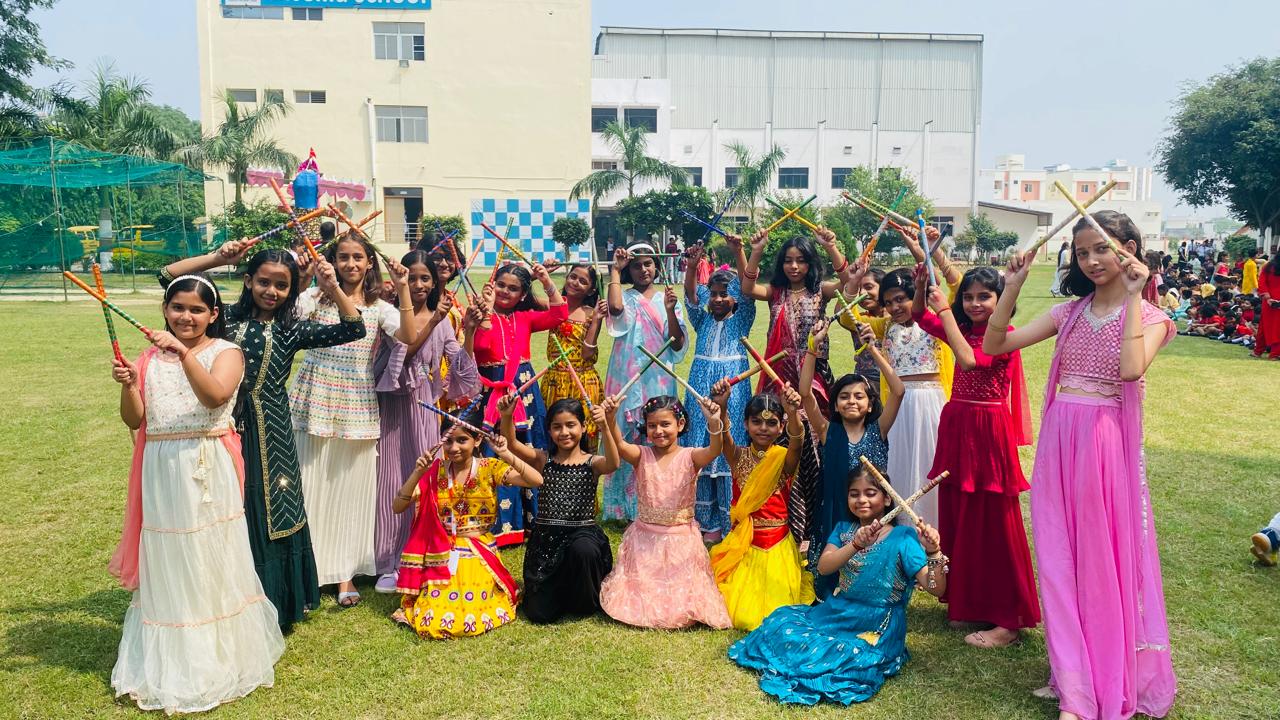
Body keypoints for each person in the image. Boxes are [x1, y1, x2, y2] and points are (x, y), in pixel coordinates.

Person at [984, 210, 1177, 720]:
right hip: (1059, 440)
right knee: (1057, 558)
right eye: (1083, 252)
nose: (1091, 260)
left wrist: (1134, 296)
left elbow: (1130, 370)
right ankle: (1072, 676)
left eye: (1102, 248)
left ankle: (1090, 688)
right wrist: (1012, 286)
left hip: (1103, 444)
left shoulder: (1153, 318)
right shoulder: (1069, 313)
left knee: (1099, 560)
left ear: (1129, 248)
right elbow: (994, 345)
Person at [160, 241, 365, 632]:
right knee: (222, 505)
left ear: (292, 289)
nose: (271, 291)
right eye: (264, 282)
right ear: (248, 280)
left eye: (282, 285)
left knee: (270, 510)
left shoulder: (290, 330)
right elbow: (168, 277)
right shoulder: (222, 318)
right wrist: (218, 258)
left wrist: (332, 285)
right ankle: (221, 601)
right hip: (217, 426)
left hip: (271, 431)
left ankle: (274, 603)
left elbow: (354, 327)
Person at [109, 274, 284, 713]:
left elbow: (214, 396)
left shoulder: (226, 353)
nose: (186, 317)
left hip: (206, 465)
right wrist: (129, 384)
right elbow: (134, 420)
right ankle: (175, 651)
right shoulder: (149, 359)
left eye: (196, 309)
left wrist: (184, 353)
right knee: (169, 554)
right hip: (161, 468)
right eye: (177, 307)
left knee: (208, 552)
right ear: (165, 310)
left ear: (213, 314)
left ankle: (217, 653)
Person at [727, 464, 947, 706]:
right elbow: (824, 567)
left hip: (877, 626)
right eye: (854, 494)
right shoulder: (844, 530)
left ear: (887, 499)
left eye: (870, 493)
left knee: (846, 657)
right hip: (837, 613)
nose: (861, 500)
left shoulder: (903, 537)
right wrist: (855, 545)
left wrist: (933, 551)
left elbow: (936, 588)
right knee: (782, 622)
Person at [911, 266, 1039, 648]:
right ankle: (968, 602)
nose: (974, 303)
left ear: (1003, 300)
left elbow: (969, 361)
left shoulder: (1005, 336)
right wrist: (920, 287)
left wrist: (945, 311)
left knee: (995, 522)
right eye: (968, 297)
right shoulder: (962, 329)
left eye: (984, 296)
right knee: (961, 514)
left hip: (988, 431)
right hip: (959, 426)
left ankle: (1008, 620)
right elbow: (919, 316)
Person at [289, 232, 417, 607]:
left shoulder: (378, 306)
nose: (350, 264)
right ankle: (308, 572)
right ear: (332, 261)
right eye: (343, 257)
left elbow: (409, 336)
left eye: (358, 257)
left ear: (369, 263)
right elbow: (287, 321)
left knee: (349, 491)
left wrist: (403, 287)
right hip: (313, 396)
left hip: (357, 402)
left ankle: (345, 575)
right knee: (309, 484)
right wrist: (304, 279)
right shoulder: (314, 298)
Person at [372, 251, 481, 594]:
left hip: (424, 408)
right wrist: (433, 321)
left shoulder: (444, 321)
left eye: (425, 278)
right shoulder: (392, 315)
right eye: (412, 277)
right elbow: (406, 352)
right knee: (390, 480)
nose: (418, 284)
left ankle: (420, 553)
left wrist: (470, 331)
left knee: (425, 479)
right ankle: (388, 562)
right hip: (393, 405)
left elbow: (460, 363)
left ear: (435, 283)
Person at [390, 411, 543, 638]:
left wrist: (506, 454)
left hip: (479, 551)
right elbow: (398, 506)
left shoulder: (489, 467)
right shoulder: (435, 471)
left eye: (462, 440)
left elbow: (536, 480)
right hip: (442, 551)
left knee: (472, 611)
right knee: (434, 614)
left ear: (477, 439)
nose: (454, 448)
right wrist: (417, 472)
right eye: (448, 441)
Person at [598, 396, 731, 629]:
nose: (658, 431)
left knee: (681, 601)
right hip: (644, 542)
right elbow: (619, 445)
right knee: (640, 597)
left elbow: (714, 450)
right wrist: (610, 418)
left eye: (665, 424)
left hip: (680, 541)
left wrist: (713, 422)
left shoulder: (691, 456)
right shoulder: (641, 455)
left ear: (680, 424)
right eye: (652, 425)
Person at [800, 318, 904, 598]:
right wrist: (812, 348)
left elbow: (898, 390)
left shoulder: (879, 429)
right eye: (844, 397)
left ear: (870, 404)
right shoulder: (827, 432)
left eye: (859, 396)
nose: (852, 401)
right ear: (835, 405)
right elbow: (805, 393)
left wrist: (872, 349)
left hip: (873, 510)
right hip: (837, 512)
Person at [469, 262, 566, 545]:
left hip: (524, 391)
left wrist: (545, 280)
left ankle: (531, 521)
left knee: (526, 449)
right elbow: (482, 347)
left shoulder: (524, 318)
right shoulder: (476, 314)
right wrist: (486, 311)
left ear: (523, 295)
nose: (505, 292)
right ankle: (498, 524)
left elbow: (559, 315)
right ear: (492, 284)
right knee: (493, 450)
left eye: (513, 289)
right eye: (501, 285)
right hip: (491, 392)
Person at [499, 395, 619, 623]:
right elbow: (512, 445)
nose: (564, 432)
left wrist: (604, 426)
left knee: (583, 551)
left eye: (571, 425)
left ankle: (584, 598)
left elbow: (613, 463)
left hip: (582, 535)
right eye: (557, 427)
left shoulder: (592, 462)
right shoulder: (542, 459)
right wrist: (506, 416)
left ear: (583, 427)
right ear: (549, 430)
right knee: (538, 614)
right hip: (547, 541)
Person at [707, 384, 814, 630]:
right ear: (746, 424)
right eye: (756, 422)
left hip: (777, 544)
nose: (763, 428)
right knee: (740, 614)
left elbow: (797, 442)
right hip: (744, 543)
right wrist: (722, 405)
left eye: (771, 423)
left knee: (777, 612)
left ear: (780, 427)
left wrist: (793, 412)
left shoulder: (784, 458)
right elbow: (724, 438)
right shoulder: (738, 456)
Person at [601, 245, 687, 521]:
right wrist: (615, 270)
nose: (643, 270)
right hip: (626, 374)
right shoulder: (624, 297)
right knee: (625, 435)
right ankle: (623, 508)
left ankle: (657, 501)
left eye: (648, 264)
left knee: (657, 434)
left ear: (657, 266)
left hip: (658, 377)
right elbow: (616, 310)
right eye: (636, 265)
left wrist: (670, 310)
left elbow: (677, 342)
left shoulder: (668, 299)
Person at [683, 243, 756, 543]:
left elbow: (747, 289)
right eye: (713, 294)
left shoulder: (742, 319)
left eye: (724, 294)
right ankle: (706, 522)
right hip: (700, 388)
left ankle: (729, 520)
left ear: (734, 298)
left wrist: (739, 252)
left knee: (728, 443)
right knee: (700, 445)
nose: (717, 299)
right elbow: (691, 297)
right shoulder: (701, 320)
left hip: (732, 390)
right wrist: (692, 266)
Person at [737, 227, 849, 414]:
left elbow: (847, 282)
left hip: (813, 369)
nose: (794, 266)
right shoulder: (775, 292)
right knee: (778, 417)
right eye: (788, 261)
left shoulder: (820, 290)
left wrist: (831, 247)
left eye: (801, 261)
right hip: (779, 370)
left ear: (810, 263)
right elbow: (748, 289)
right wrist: (757, 251)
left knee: (816, 419)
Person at [875, 267, 947, 527]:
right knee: (901, 461)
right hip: (899, 404)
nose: (894, 307)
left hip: (930, 400)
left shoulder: (932, 322)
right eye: (888, 302)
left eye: (900, 299)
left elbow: (949, 284)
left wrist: (922, 283)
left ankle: (935, 526)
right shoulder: (886, 327)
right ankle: (904, 527)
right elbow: (849, 320)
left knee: (930, 458)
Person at [540, 263, 605, 448]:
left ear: (592, 290)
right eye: (573, 277)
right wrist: (541, 275)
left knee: (583, 435)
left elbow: (588, 353)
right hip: (554, 381)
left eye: (583, 281)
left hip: (583, 381)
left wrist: (596, 320)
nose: (575, 282)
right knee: (553, 434)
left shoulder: (592, 314)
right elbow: (524, 297)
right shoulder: (552, 305)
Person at [1255, 253, 1280, 359]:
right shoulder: (1269, 266)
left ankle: (1258, 351)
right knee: (1276, 327)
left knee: (1264, 325)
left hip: (1269, 300)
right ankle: (1274, 353)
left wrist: (1267, 297)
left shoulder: (1269, 266)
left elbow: (1262, 282)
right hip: (1272, 300)